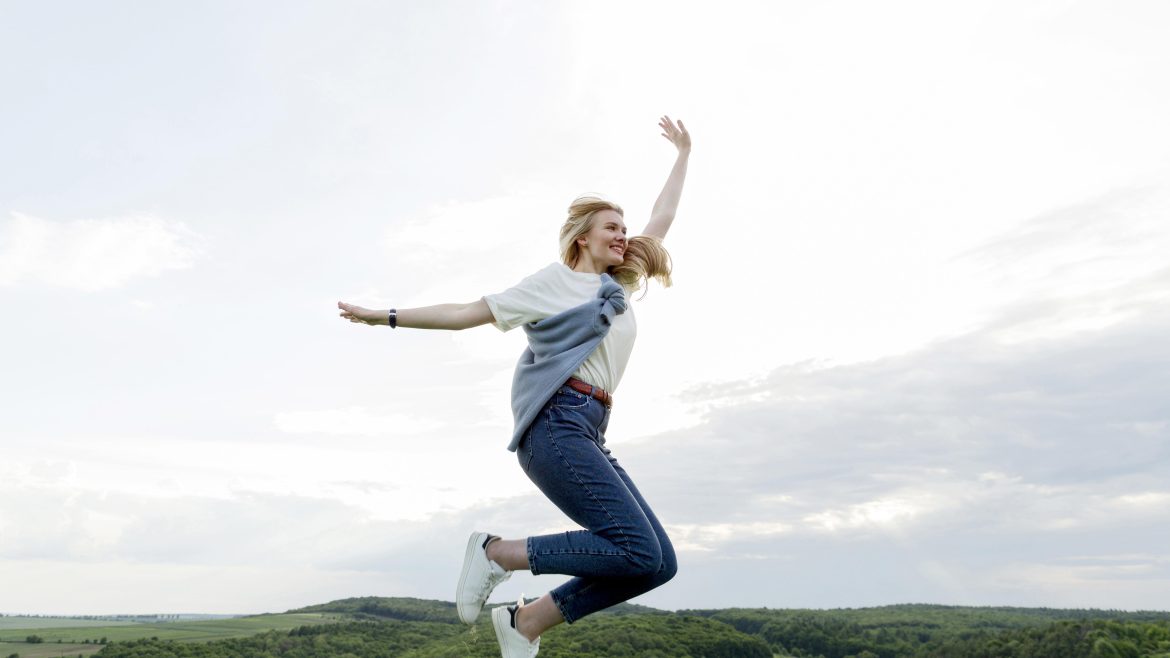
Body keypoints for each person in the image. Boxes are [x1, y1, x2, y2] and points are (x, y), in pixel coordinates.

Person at [337, 115, 691, 658]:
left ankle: (526, 622)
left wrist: (683, 154)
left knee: (657, 563)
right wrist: (384, 316)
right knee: (635, 548)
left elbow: (661, 218)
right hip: (556, 424)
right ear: (582, 237)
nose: (624, 236)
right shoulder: (551, 284)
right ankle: (495, 554)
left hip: (591, 429)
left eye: (625, 228)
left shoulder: (618, 281)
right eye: (611, 228)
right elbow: (465, 313)